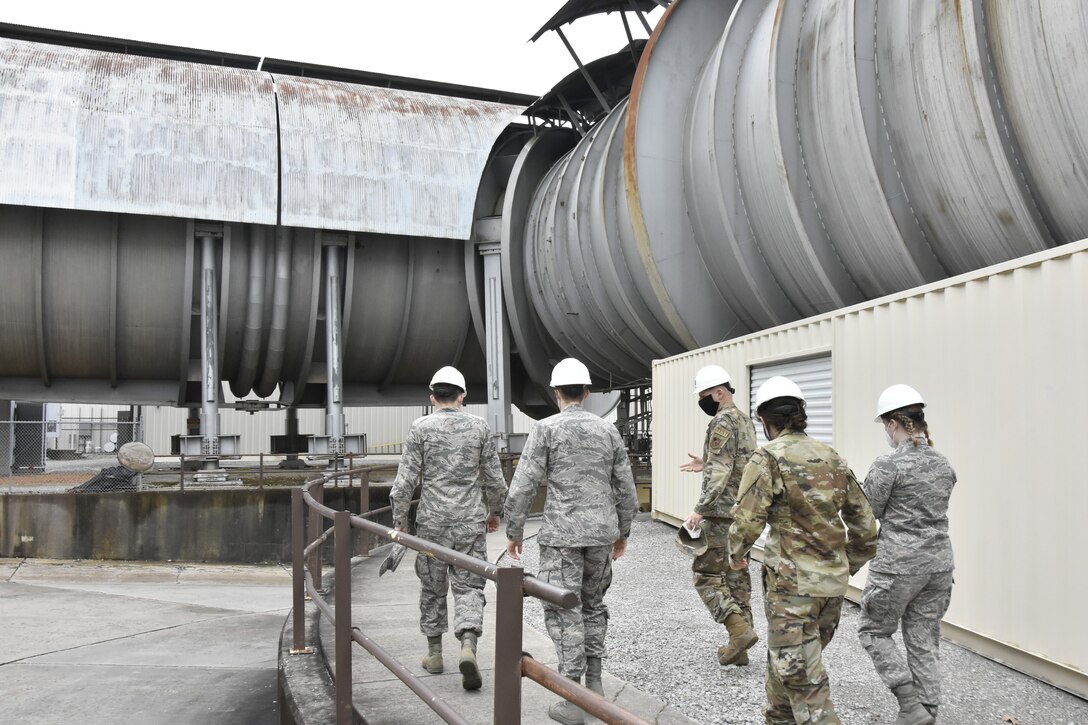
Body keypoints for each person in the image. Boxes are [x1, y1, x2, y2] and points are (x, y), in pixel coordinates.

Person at [728, 376, 878, 724]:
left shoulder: (767, 458)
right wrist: (842, 565)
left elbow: (747, 522)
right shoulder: (833, 458)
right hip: (831, 591)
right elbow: (867, 530)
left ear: (765, 421)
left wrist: (735, 556)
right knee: (786, 669)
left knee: (804, 681)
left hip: (791, 590)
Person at [504, 358, 638, 725]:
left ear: (555, 392)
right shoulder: (607, 431)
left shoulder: (545, 429)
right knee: (593, 606)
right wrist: (623, 532)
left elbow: (524, 484)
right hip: (600, 534)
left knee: (565, 611)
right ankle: (594, 686)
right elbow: (626, 486)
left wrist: (514, 530)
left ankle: (574, 699)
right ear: (588, 391)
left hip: (562, 536)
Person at [389, 365, 507, 691]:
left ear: (432, 397)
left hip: (431, 525)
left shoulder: (420, 428)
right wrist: (494, 512)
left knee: (432, 588)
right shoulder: (480, 428)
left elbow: (403, 485)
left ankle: (435, 654)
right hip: (470, 522)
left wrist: (401, 527)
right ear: (462, 396)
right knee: (470, 588)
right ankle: (468, 645)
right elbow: (495, 481)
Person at [857, 385, 955, 725]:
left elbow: (866, 511)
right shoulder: (943, 463)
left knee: (873, 631)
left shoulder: (888, 464)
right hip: (940, 565)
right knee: (923, 638)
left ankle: (910, 705)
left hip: (898, 566)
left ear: (892, 423)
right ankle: (927, 711)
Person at [678, 364, 758, 666]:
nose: (703, 402)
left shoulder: (722, 421)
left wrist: (700, 509)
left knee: (707, 575)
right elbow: (739, 462)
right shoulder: (744, 420)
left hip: (722, 514)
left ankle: (738, 632)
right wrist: (706, 460)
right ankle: (740, 649)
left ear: (719, 392)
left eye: (704, 396)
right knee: (737, 578)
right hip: (744, 513)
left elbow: (722, 470)